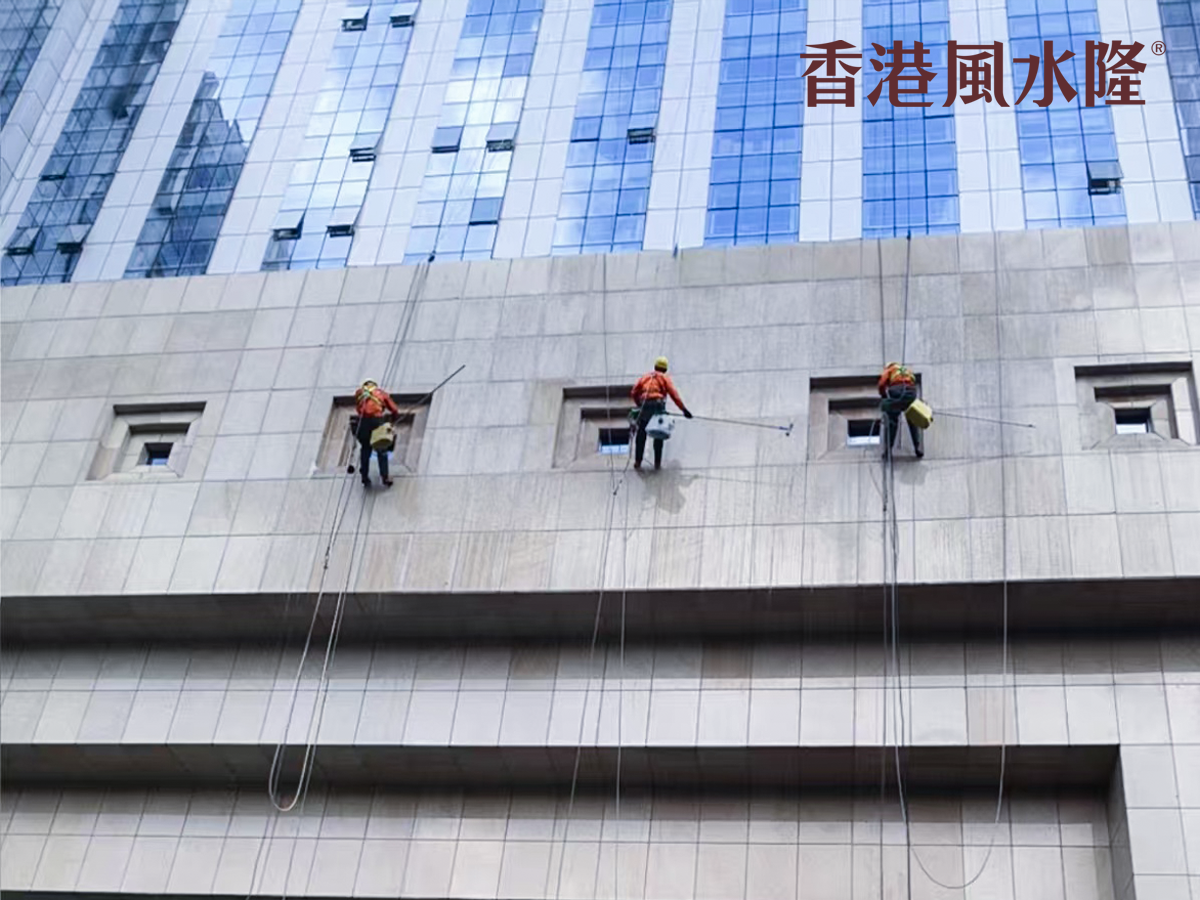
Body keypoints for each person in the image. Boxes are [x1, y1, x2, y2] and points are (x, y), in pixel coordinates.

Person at [630, 356, 692, 470]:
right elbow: (673, 394)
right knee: (659, 431)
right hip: (657, 405)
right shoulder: (664, 377)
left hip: (645, 405)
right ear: (665, 369)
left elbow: (634, 392)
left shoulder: (645, 377)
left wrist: (639, 404)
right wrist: (683, 410)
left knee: (641, 433)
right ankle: (657, 463)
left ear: (655, 367)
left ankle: (638, 461)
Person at [354, 379, 401, 486]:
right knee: (381, 448)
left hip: (363, 422)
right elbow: (394, 409)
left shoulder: (359, 393)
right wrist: (393, 421)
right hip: (377, 421)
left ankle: (364, 476)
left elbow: (358, 409)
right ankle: (385, 477)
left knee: (365, 449)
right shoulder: (381, 393)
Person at [878, 362, 923, 459]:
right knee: (912, 419)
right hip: (911, 392)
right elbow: (913, 380)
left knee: (892, 420)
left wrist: (883, 395)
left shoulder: (890, 369)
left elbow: (882, 383)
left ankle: (888, 449)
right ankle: (917, 447)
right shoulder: (906, 371)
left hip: (897, 391)